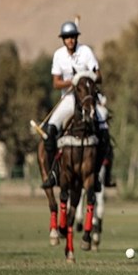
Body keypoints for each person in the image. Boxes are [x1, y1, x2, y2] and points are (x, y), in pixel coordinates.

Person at [41, 21, 115, 189]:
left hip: (87, 99)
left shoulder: (86, 52)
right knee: (50, 130)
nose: (70, 40)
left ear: (76, 38)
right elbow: (56, 83)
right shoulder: (58, 55)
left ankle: (101, 174)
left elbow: (99, 76)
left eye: (73, 37)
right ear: (63, 40)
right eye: (67, 38)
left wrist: (84, 78)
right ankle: (53, 172)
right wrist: (72, 82)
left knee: (103, 129)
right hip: (68, 100)